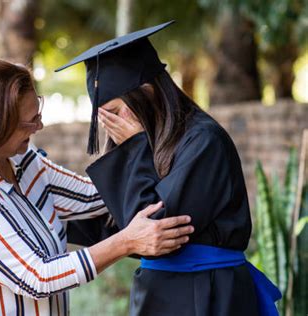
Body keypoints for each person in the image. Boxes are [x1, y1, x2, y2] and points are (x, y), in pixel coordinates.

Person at [0, 58, 195, 315]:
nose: (38, 126)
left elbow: (94, 197)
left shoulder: (23, 164)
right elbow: (37, 278)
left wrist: (135, 146)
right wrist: (126, 242)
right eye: (28, 122)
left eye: (37, 114)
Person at [56, 21, 281, 316]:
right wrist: (53, 210)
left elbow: (156, 227)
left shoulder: (203, 141)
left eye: (113, 112)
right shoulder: (153, 144)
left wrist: (135, 147)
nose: (110, 125)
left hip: (208, 294)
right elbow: (122, 225)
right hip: (159, 293)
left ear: (146, 92)